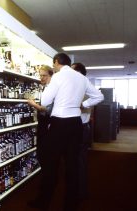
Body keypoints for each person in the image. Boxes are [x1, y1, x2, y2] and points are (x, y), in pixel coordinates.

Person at [30, 53, 104, 211]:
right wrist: (83, 104)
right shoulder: (82, 78)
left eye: (54, 64)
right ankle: (71, 205)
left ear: (56, 63)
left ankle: (44, 202)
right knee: (73, 166)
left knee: (51, 165)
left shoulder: (58, 76)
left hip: (59, 124)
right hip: (76, 124)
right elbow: (99, 96)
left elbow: (45, 101)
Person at [71, 62, 93, 200]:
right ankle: (78, 190)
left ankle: (80, 193)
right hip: (79, 127)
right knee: (77, 160)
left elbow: (93, 100)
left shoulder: (83, 86)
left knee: (79, 161)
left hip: (80, 128)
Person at [27, 65, 53, 166]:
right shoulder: (45, 88)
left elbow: (48, 110)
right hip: (42, 124)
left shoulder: (51, 89)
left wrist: (33, 105)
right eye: (40, 75)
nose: (41, 78)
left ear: (50, 75)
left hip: (47, 125)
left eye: (44, 75)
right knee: (42, 152)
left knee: (45, 152)